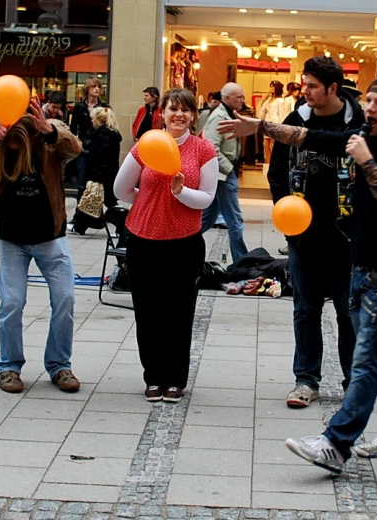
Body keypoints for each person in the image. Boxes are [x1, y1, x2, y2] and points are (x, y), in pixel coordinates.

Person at [218, 76, 377, 474]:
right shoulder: (360, 136)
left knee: (366, 358)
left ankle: (336, 443)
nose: (369, 108)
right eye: (368, 100)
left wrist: (366, 162)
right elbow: (308, 136)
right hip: (361, 265)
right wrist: (260, 127)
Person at [0, 99, 83, 394]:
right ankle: (9, 367)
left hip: (50, 238)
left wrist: (49, 129)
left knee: (65, 298)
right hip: (12, 239)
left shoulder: (48, 133)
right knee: (12, 302)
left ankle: (59, 365)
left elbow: (75, 148)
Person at [267, 57, 364, 408]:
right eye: (303, 84)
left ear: (333, 88)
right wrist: (283, 210)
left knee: (347, 311)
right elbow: (276, 171)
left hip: (347, 238)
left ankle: (355, 381)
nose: (303, 91)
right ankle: (306, 380)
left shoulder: (359, 123)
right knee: (305, 310)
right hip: (304, 236)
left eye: (311, 86)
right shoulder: (295, 120)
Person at [114, 88, 218, 403]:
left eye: (185, 110)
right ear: (162, 112)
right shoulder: (146, 145)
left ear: (193, 116)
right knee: (148, 313)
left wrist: (179, 193)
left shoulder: (203, 150)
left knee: (179, 313)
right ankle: (153, 377)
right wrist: (146, 203)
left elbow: (208, 198)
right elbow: (121, 189)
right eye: (173, 109)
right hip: (144, 241)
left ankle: (175, 379)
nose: (179, 115)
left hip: (183, 243)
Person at [199, 82, 250, 263]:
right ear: (227, 98)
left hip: (223, 174)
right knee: (234, 220)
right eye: (239, 97)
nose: (243, 101)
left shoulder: (228, 114)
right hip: (223, 175)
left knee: (208, 217)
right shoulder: (218, 117)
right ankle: (242, 261)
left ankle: (181, 242)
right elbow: (211, 147)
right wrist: (228, 169)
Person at [70, 106, 123, 236]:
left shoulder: (102, 135)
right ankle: (80, 226)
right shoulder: (110, 134)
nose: (92, 121)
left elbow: (101, 156)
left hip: (101, 174)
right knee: (104, 200)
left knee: (92, 198)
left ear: (98, 120)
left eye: (93, 119)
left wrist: (96, 174)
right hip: (108, 173)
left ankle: (79, 226)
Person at [69, 76, 108, 207]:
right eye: (93, 87)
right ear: (87, 89)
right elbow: (73, 128)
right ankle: (78, 215)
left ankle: (95, 214)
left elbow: (108, 128)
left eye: (98, 87)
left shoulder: (104, 107)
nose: (97, 89)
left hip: (98, 149)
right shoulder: (80, 107)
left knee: (96, 184)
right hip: (83, 148)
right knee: (81, 184)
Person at [259, 81, 287, 163]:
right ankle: (267, 162)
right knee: (265, 144)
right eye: (270, 86)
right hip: (267, 122)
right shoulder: (269, 99)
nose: (270, 88)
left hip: (275, 123)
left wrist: (281, 127)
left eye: (272, 87)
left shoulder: (280, 101)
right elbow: (262, 110)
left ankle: (273, 163)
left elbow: (282, 114)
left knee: (273, 145)